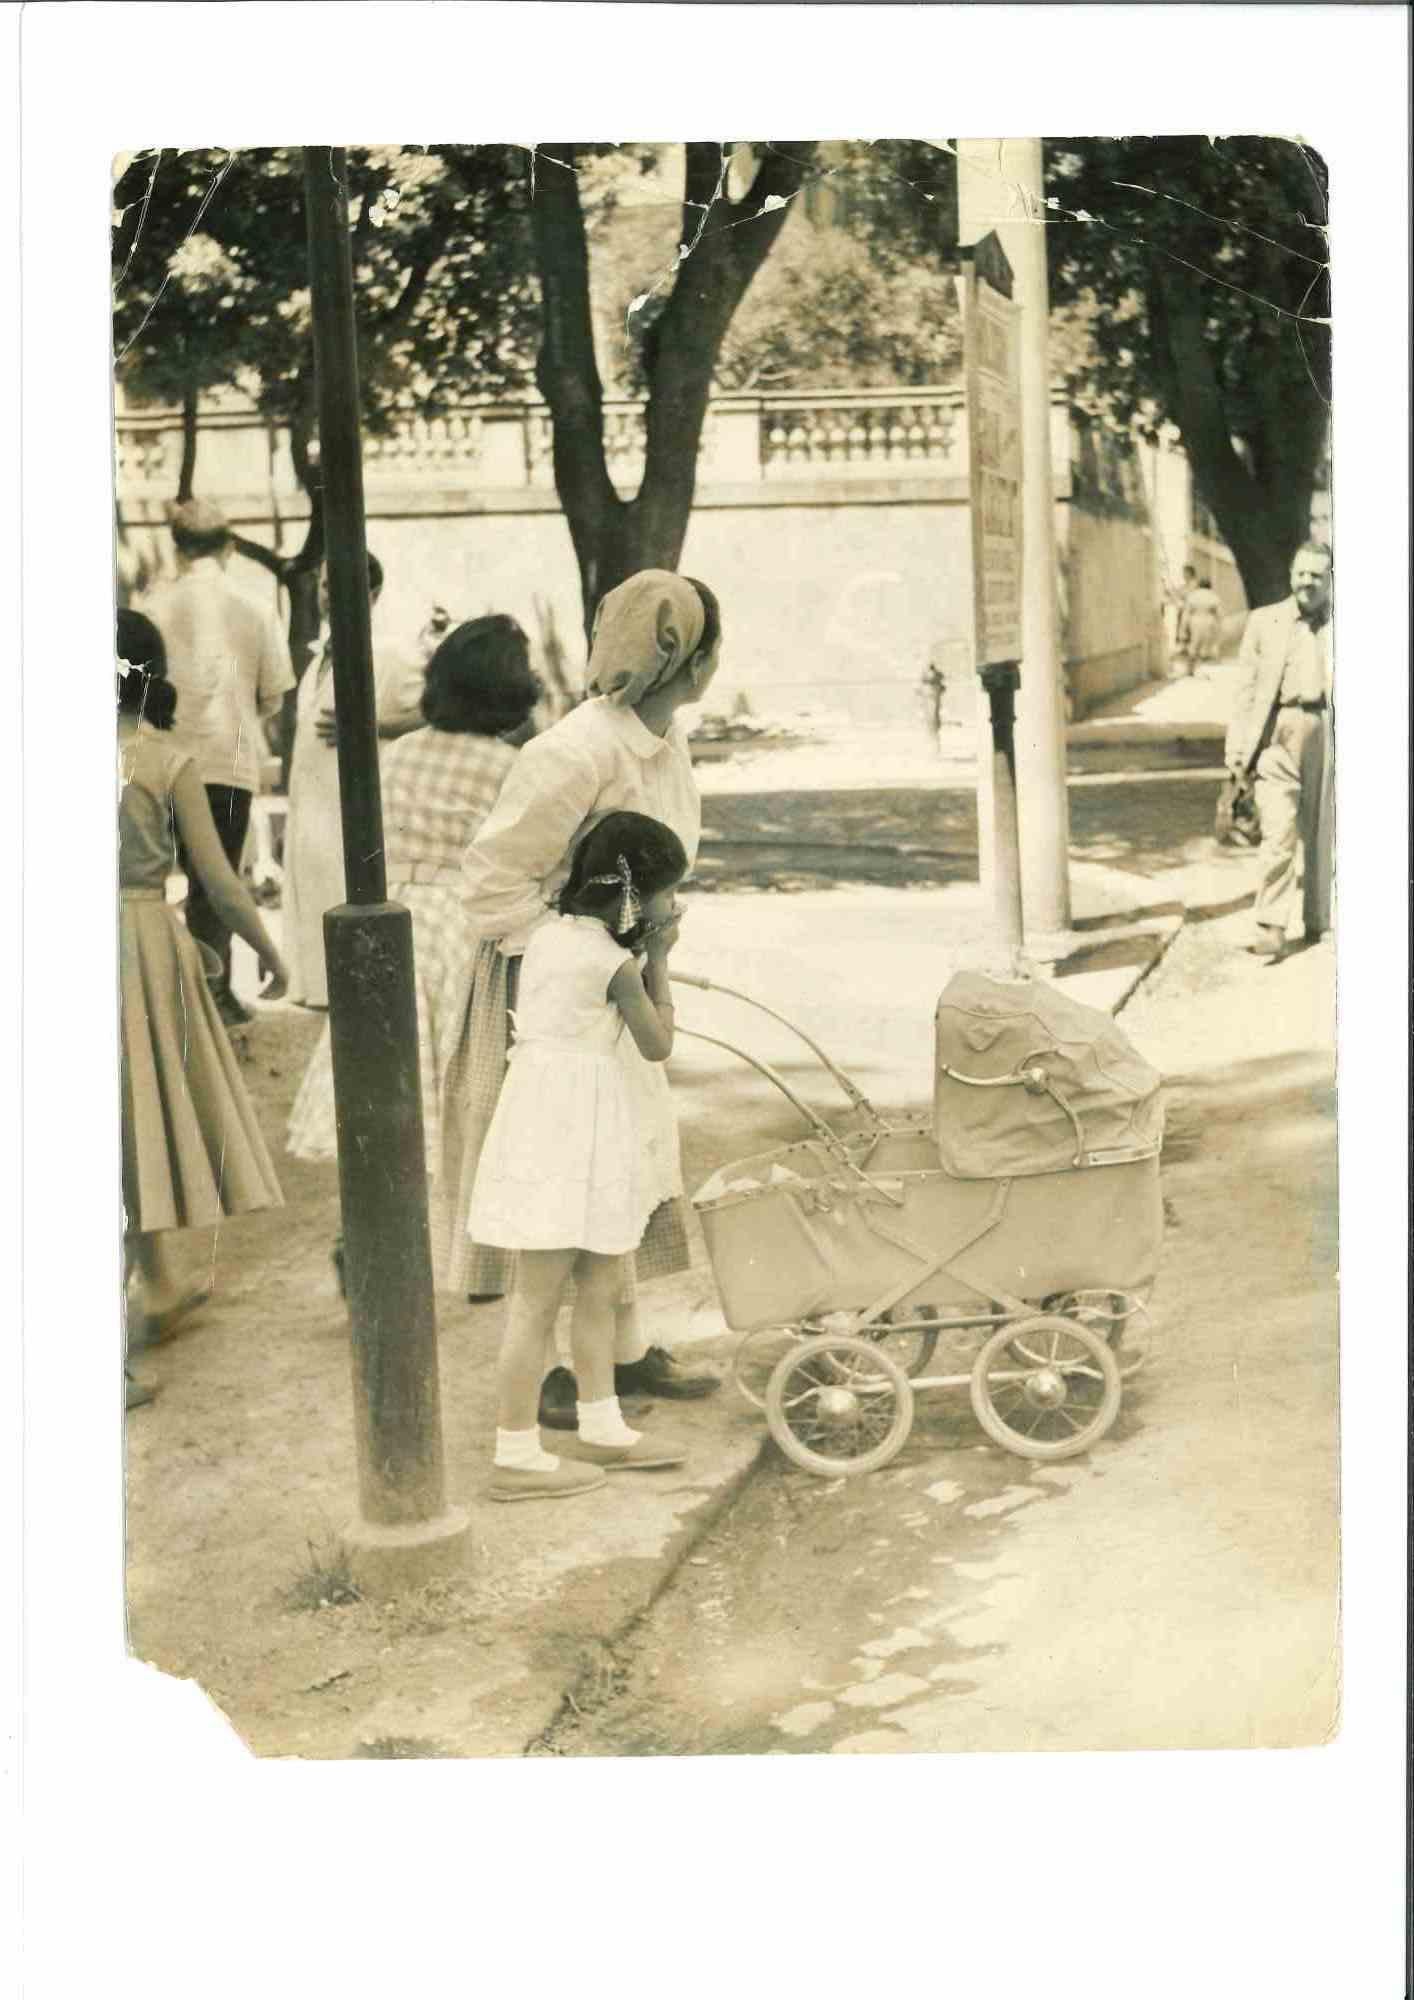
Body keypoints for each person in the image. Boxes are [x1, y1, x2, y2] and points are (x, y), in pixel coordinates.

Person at [444, 569, 724, 1428]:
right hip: (555, 1000)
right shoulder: (571, 752)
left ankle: (626, 1352)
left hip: (612, 980)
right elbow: (491, 886)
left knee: (625, 1161)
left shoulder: (663, 740)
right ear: (689, 658)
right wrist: (581, 957)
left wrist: (634, 948)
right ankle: (563, 1372)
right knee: (568, 1178)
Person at [286, 615, 543, 1279]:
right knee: (469, 1095)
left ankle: (365, 1231)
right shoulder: (511, 766)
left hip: (394, 926)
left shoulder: (397, 753)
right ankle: (477, 1251)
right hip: (463, 931)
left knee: (383, 1088)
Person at [471, 813, 691, 1501]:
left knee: (599, 1279)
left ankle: (601, 1423)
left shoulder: (548, 939)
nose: (673, 905)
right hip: (573, 1128)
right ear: (634, 895)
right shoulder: (615, 963)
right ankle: (514, 1455)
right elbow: (658, 1046)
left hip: (555, 1119)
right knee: (541, 1301)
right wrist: (660, 957)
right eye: (667, 892)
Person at [117, 610, 289, 1410]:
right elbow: (219, 883)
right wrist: (270, 950)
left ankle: (154, 1282)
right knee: (132, 1106)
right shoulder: (164, 759)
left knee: (121, 1115)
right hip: (139, 943)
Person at [140, 499, 294, 1029]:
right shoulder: (255, 607)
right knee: (217, 880)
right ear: (229, 547)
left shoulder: (153, 608)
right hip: (227, 762)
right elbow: (273, 695)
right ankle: (215, 992)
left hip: (160, 760)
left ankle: (167, 994)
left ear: (179, 551)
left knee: (152, 880)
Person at [284, 554, 431, 1009]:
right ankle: (314, 989)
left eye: (342, 586)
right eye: (326, 586)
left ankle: (348, 994)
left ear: (373, 595)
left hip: (354, 805)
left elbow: (432, 712)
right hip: (311, 801)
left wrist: (369, 726)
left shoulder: (392, 654)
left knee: (343, 886)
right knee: (313, 884)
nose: (330, 595)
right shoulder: (318, 658)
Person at [1224, 541, 1334, 961]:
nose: (1307, 581)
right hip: (1277, 733)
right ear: (1292, 574)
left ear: (1329, 579)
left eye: (1316, 575)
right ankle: (1271, 924)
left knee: (1322, 829)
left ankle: (1318, 920)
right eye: (1301, 573)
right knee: (1277, 830)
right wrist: (1236, 752)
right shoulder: (1264, 622)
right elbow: (1246, 691)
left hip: (1326, 727)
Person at [1181, 572, 1223, 672]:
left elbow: (1186, 612)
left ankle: (1190, 668)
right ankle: (1205, 667)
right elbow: (1219, 612)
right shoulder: (1213, 596)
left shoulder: (1193, 595)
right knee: (1207, 643)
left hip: (1195, 619)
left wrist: (1183, 628)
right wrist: (1218, 624)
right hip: (1209, 619)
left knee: (1194, 643)